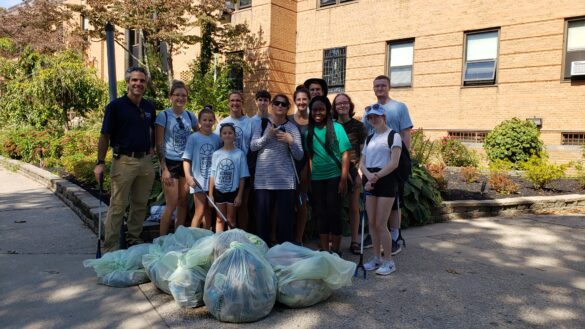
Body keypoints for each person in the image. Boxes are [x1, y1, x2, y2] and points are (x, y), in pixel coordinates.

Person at [94, 66, 156, 252]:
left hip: (145, 161)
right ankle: (110, 248)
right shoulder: (115, 107)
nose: (138, 84)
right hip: (124, 161)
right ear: (128, 83)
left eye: (142, 81)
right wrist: (100, 162)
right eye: (134, 80)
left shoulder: (149, 107)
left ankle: (133, 239)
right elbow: (104, 136)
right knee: (118, 206)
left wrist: (152, 148)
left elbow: (152, 130)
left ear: (145, 84)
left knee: (140, 205)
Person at [363, 75, 413, 255]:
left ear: (389, 87)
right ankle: (377, 234)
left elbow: (406, 133)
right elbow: (366, 135)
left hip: (393, 162)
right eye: (377, 86)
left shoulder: (399, 107)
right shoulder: (369, 110)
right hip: (374, 163)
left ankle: (394, 236)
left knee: (394, 201)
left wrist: (401, 161)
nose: (380, 88)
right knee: (377, 205)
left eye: (383, 85)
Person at [251, 94, 304, 245]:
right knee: (262, 223)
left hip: (285, 182)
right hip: (263, 181)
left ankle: (283, 257)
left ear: (288, 108)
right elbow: (253, 146)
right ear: (271, 106)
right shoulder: (262, 125)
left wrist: (290, 141)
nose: (280, 106)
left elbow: (299, 155)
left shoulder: (292, 128)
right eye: (277, 103)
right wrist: (267, 136)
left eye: (283, 104)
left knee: (285, 224)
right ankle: (263, 255)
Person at [305, 95, 351, 255]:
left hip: (334, 177)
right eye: (315, 109)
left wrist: (343, 179)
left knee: (334, 213)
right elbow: (310, 157)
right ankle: (325, 250)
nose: (318, 112)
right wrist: (310, 179)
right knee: (320, 214)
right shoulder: (308, 132)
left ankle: (336, 249)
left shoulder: (337, 128)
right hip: (317, 179)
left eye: (321, 109)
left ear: (327, 110)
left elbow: (345, 154)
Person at [360, 106, 402, 275]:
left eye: (376, 116)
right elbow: (362, 163)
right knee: (371, 223)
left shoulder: (394, 136)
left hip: (385, 180)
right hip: (371, 179)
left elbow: (394, 163)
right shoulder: (369, 138)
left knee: (381, 224)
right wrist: (369, 177)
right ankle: (376, 258)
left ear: (383, 116)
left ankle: (389, 261)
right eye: (370, 117)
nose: (373, 119)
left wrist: (375, 177)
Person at [154, 80, 198, 236]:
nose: (181, 98)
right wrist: (164, 168)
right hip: (170, 163)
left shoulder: (190, 116)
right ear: (171, 97)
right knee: (171, 203)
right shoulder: (163, 116)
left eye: (184, 95)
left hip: (185, 163)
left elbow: (200, 135)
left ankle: (178, 237)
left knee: (183, 202)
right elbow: (159, 143)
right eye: (177, 95)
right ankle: (162, 240)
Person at [332, 93, 367, 255]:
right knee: (334, 208)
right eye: (338, 103)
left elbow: (364, 152)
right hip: (335, 170)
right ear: (334, 107)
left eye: (345, 103)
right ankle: (333, 242)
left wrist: (360, 172)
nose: (342, 106)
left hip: (354, 169)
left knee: (354, 207)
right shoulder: (331, 125)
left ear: (349, 105)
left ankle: (354, 241)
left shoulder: (359, 126)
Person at [215, 92, 253, 230]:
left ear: (242, 102)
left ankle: (241, 236)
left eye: (238, 100)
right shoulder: (222, 123)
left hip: (243, 168)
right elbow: (216, 144)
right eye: (232, 100)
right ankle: (224, 238)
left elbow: (254, 145)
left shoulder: (249, 122)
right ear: (228, 103)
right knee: (224, 212)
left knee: (242, 206)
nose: (235, 103)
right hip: (227, 171)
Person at [183, 108, 220, 230]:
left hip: (212, 181)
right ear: (199, 121)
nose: (207, 123)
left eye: (210, 120)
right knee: (199, 211)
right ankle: (192, 238)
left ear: (214, 121)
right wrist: (188, 177)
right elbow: (187, 159)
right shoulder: (193, 138)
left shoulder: (217, 138)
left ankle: (206, 237)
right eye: (204, 120)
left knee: (209, 211)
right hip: (198, 180)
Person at [209, 123, 250, 232]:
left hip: (233, 192)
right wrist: (210, 194)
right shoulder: (216, 154)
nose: (227, 135)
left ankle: (231, 245)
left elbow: (242, 177)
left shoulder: (240, 154)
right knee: (219, 219)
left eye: (230, 133)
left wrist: (239, 196)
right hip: (218, 192)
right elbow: (212, 174)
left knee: (231, 219)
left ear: (234, 135)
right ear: (221, 136)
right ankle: (219, 244)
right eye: (225, 133)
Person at [289, 87, 310, 244]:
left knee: (302, 203)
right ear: (295, 101)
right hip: (287, 167)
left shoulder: (314, 121)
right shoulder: (288, 119)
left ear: (308, 100)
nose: (302, 102)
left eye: (304, 99)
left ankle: (299, 238)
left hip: (306, 167)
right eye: (299, 99)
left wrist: (306, 169)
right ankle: (281, 236)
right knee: (285, 202)